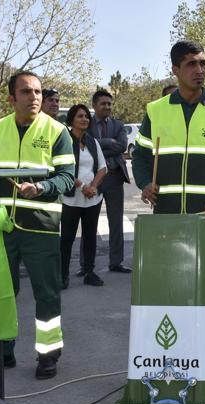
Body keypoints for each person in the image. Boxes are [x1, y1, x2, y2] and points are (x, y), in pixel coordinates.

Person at [0, 70, 75, 379]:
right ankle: (1, 354)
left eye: (38, 92)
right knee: (1, 293)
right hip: (1, 226)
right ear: (11, 98)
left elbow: (67, 178)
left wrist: (42, 188)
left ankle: (48, 356)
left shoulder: (58, 131)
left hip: (41, 227)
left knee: (47, 293)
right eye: (27, 92)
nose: (34, 98)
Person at [132, 40, 205, 258]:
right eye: (192, 64)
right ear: (176, 70)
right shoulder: (156, 111)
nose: (200, 70)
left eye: (203, 64)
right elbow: (139, 156)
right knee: (166, 279)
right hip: (166, 214)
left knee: (202, 285)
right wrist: (145, 183)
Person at [60, 104, 107, 288]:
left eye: (87, 116)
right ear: (71, 120)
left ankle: (89, 272)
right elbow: (62, 169)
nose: (85, 119)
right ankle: (63, 276)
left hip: (92, 198)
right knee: (67, 239)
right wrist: (82, 187)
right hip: (71, 198)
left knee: (90, 237)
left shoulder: (92, 142)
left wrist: (93, 187)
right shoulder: (63, 142)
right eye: (80, 116)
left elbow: (102, 168)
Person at [85, 90, 131, 274]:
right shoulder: (86, 124)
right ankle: (86, 265)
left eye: (109, 104)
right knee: (89, 222)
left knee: (116, 222)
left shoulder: (118, 125)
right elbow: (86, 146)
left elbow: (122, 146)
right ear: (95, 106)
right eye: (103, 104)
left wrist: (98, 144)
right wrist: (106, 142)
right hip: (93, 178)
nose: (107, 107)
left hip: (114, 177)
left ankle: (116, 262)